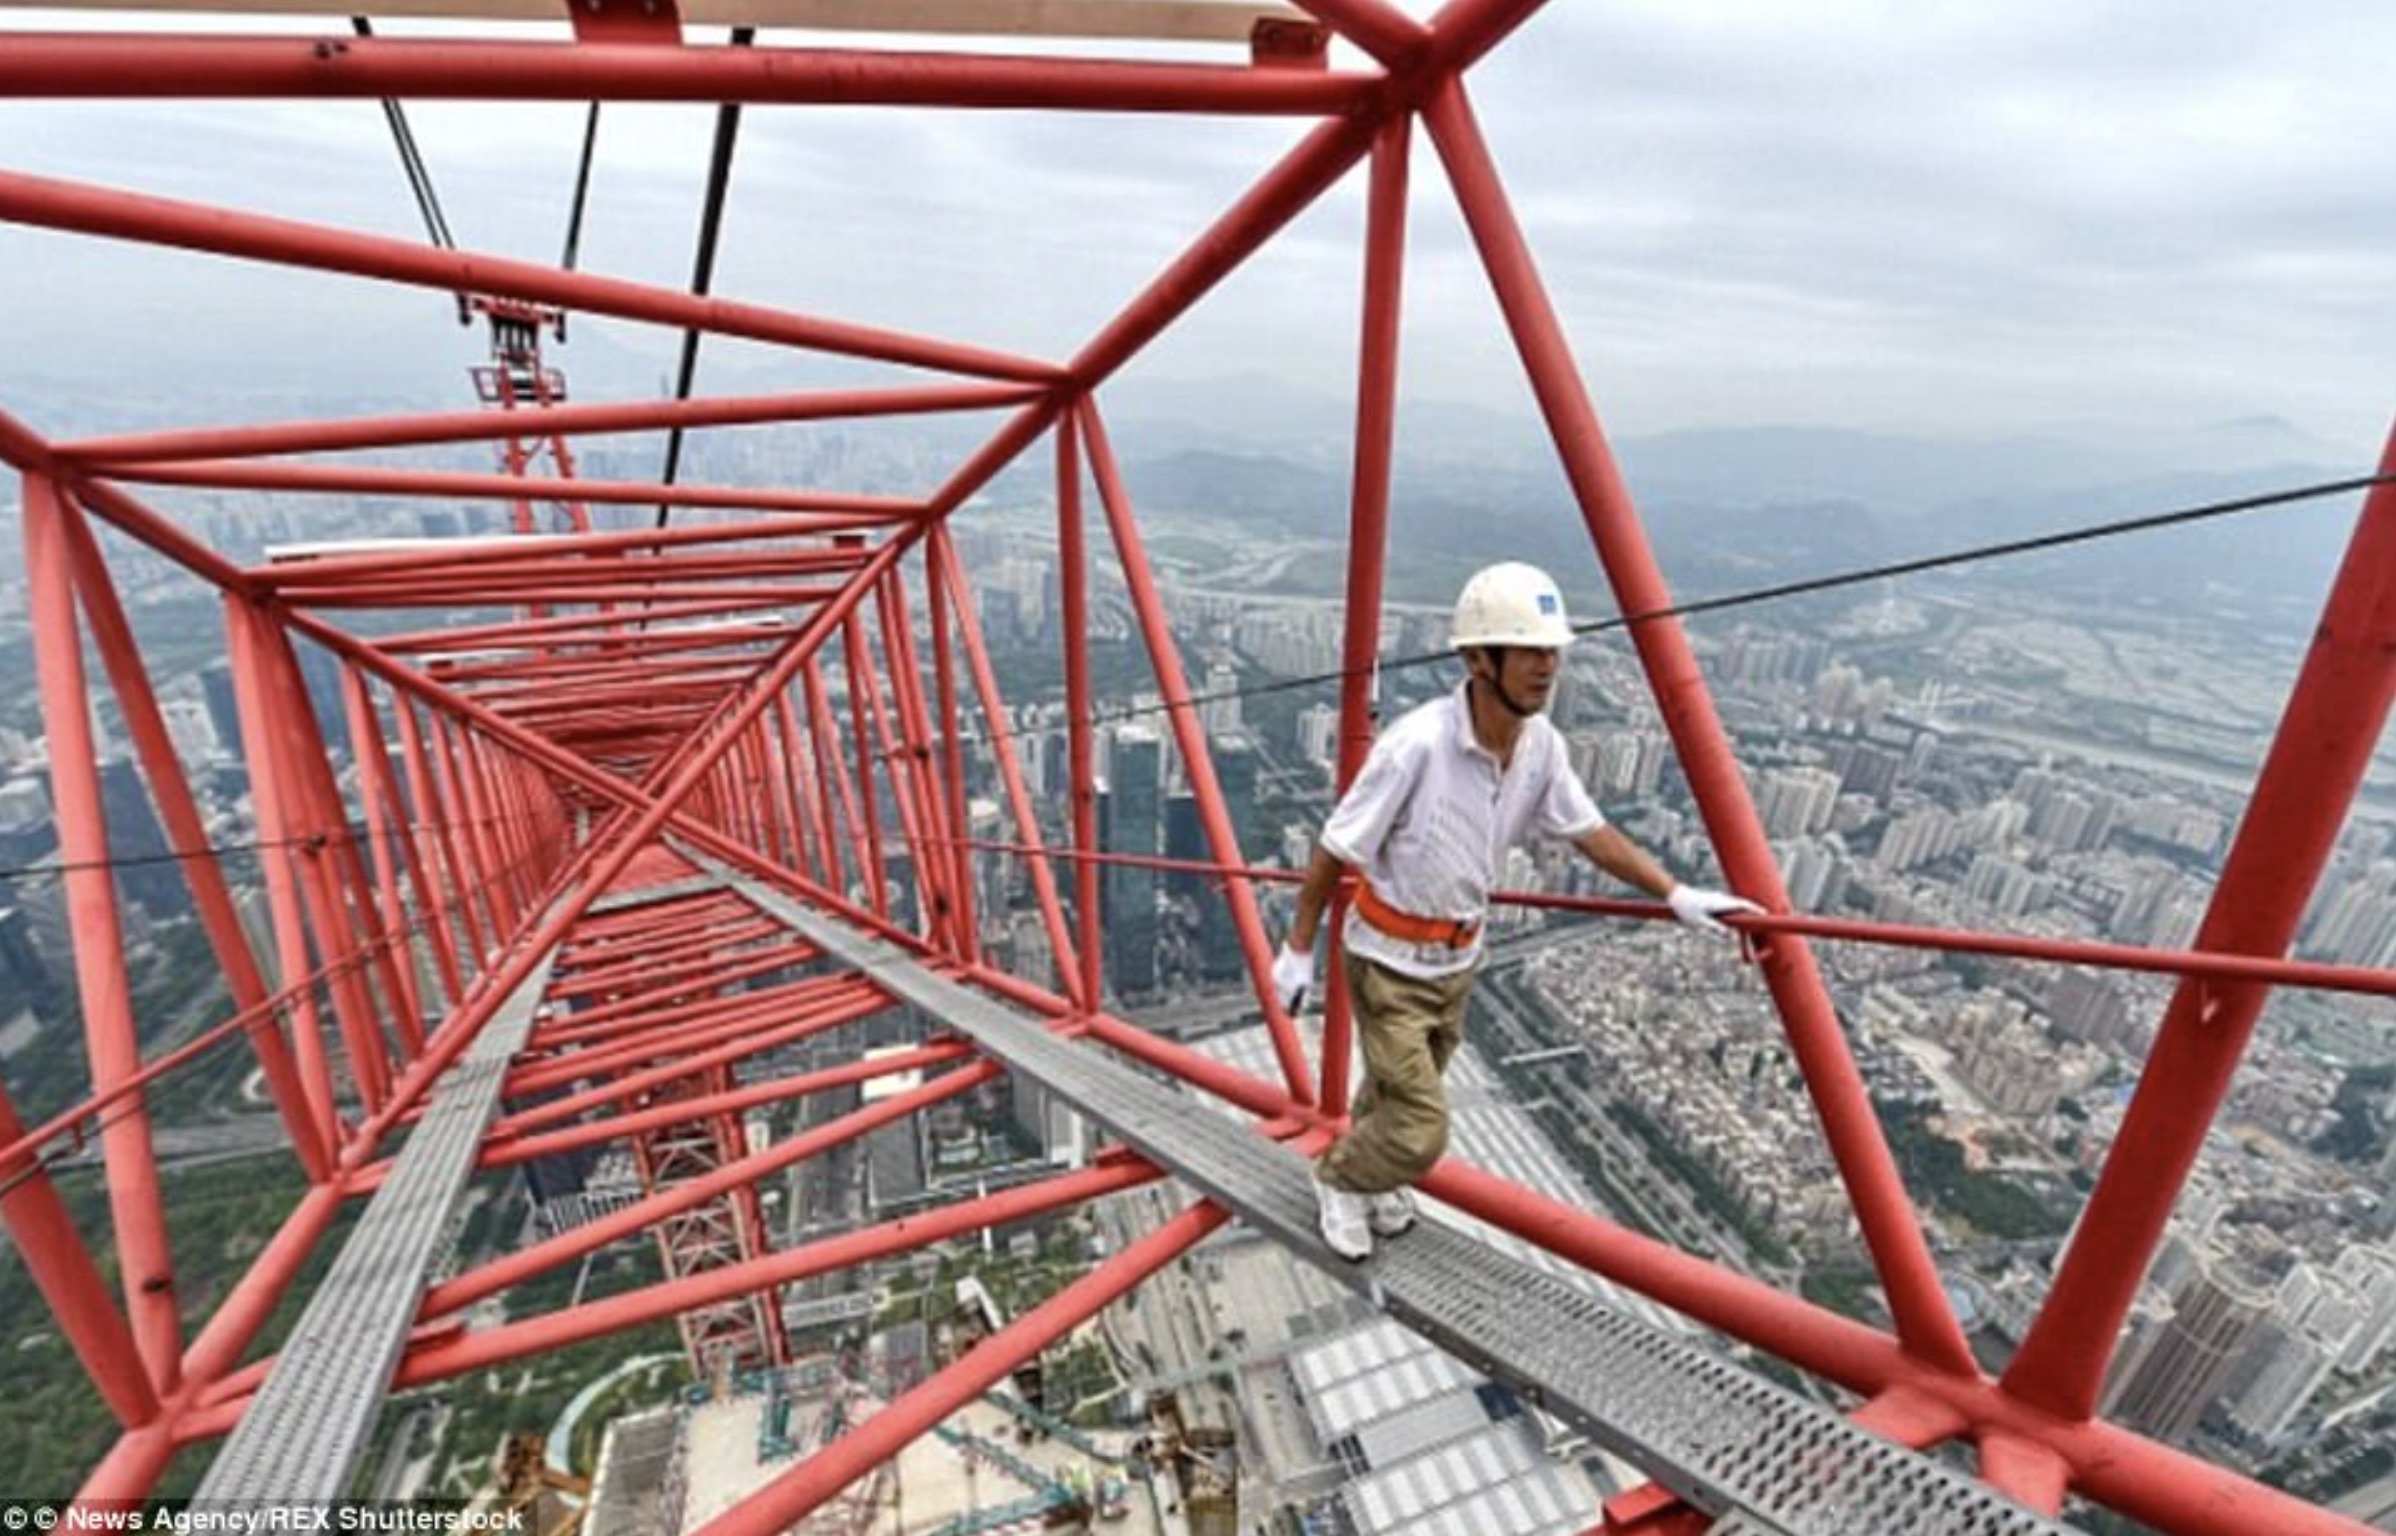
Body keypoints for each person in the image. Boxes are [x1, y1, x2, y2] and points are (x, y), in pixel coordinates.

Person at [1272, 561, 1763, 1261]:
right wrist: (1298, 949)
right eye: (1529, 649)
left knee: (1397, 1091)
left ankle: (1372, 1180)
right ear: (1478, 659)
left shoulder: (1541, 748)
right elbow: (1335, 845)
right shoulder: (1416, 745)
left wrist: (1674, 893)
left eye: (1552, 650)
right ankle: (1340, 1179)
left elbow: (1590, 832)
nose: (1546, 665)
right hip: (1386, 959)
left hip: (1458, 959)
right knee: (1420, 1127)